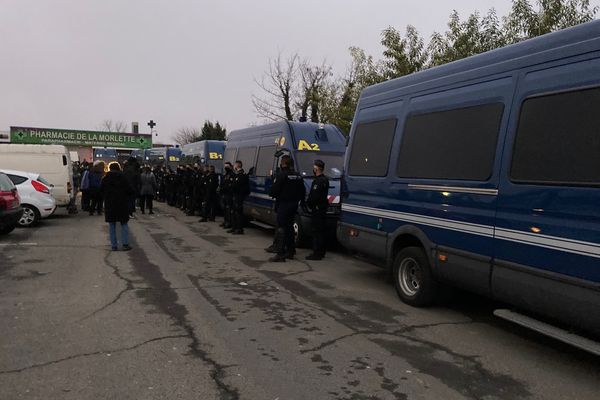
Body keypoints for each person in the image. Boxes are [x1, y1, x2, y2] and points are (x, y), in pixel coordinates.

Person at [268, 155, 305, 262]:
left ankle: (280, 252)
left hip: (283, 204)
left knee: (281, 228)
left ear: (283, 164)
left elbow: (274, 191)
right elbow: (302, 191)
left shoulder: (282, 175)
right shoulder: (298, 176)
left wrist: (272, 191)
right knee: (289, 228)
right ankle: (290, 251)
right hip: (293, 205)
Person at [100, 162, 134, 251]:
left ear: (110, 169)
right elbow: (130, 190)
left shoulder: (105, 178)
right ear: (119, 168)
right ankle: (125, 244)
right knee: (124, 224)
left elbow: (101, 190)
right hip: (122, 204)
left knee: (112, 225)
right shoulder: (123, 178)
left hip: (110, 204)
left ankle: (114, 245)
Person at [305, 159, 329, 260]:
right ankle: (321, 251)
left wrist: (309, 204)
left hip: (317, 209)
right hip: (322, 209)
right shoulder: (325, 179)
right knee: (321, 231)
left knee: (316, 231)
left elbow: (314, 196)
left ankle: (317, 253)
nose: (313, 169)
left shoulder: (318, 181)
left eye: (314, 167)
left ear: (317, 168)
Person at [229, 160, 250, 234]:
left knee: (238, 213)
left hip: (239, 196)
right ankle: (234, 227)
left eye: (235, 165)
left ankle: (239, 229)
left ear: (237, 165)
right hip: (235, 196)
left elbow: (238, 186)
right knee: (234, 213)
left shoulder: (242, 175)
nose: (234, 166)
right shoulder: (236, 175)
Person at [219, 162, 234, 229]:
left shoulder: (232, 175)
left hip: (229, 194)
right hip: (224, 194)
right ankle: (225, 221)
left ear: (231, 167)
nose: (226, 168)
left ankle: (229, 223)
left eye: (227, 166)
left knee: (228, 209)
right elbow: (222, 183)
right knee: (224, 209)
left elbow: (230, 185)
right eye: (225, 166)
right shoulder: (225, 175)